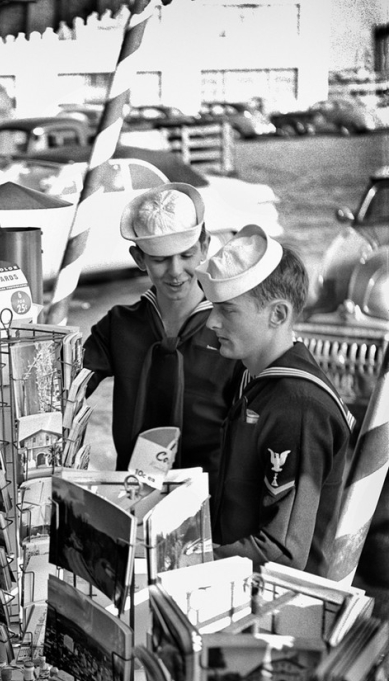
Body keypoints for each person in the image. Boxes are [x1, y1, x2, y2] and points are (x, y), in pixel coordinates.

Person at [195, 224, 355, 575]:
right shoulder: (255, 377)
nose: (211, 322)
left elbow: (282, 551)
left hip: (278, 601)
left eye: (228, 310)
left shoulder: (297, 406)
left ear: (278, 314)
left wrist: (185, 560)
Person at [82, 183, 239, 497]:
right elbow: (67, 387)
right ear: (138, 257)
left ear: (206, 245)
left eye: (186, 255)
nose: (176, 271)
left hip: (214, 500)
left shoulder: (236, 328)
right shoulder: (120, 326)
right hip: (135, 495)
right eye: (160, 259)